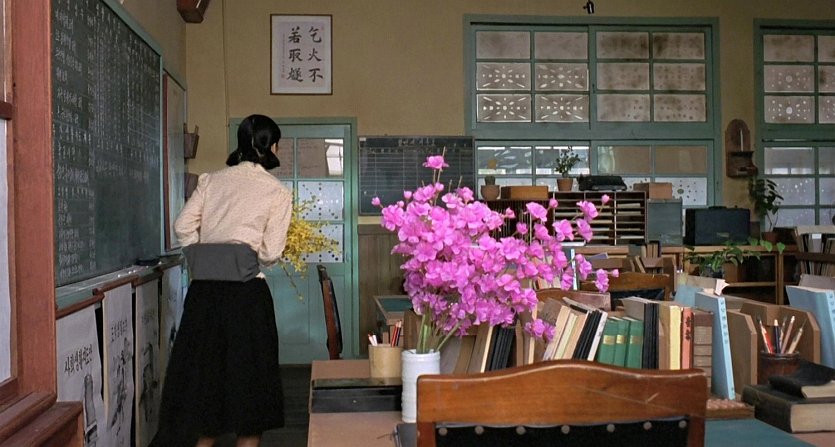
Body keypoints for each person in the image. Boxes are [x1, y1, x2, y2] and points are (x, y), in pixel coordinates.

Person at [152, 114, 292, 447]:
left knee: (206, 385)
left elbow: (183, 226)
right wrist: (243, 256)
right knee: (251, 387)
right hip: (247, 296)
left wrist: (207, 255)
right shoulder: (277, 191)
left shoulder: (211, 181)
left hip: (204, 295)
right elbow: (271, 252)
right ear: (271, 146)